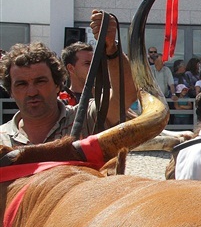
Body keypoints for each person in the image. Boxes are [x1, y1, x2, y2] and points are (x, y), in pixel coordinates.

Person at [0, 11, 137, 147]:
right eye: (21, 84)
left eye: (40, 81)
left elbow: (125, 95)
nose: (32, 92)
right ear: (10, 91)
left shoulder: (86, 119)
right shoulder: (2, 140)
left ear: (57, 85)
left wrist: (111, 49)